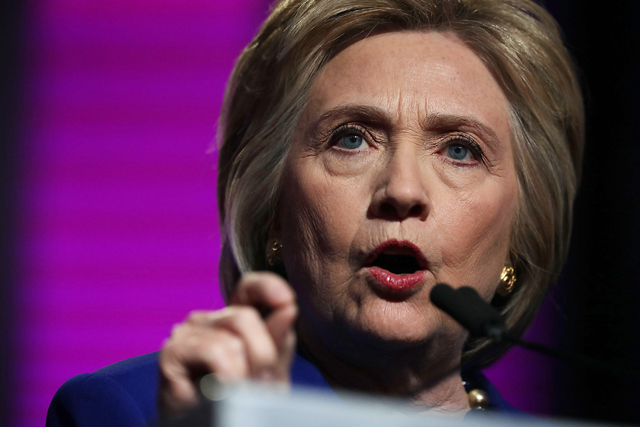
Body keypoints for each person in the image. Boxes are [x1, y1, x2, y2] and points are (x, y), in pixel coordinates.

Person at [46, 0, 584, 425]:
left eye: (460, 150)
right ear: (272, 209)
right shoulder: (141, 414)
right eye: (351, 139)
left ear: (521, 230)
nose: (401, 189)